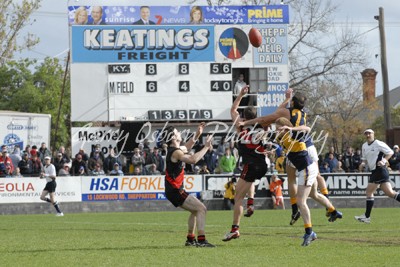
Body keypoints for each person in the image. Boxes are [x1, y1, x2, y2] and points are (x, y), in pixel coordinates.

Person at [240, 88, 332, 225]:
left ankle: (297, 211)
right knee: (314, 185)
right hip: (308, 144)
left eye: (277, 125)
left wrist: (246, 123)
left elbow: (267, 118)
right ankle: (330, 206)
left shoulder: (285, 117)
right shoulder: (302, 113)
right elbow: (305, 128)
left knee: (292, 181)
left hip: (297, 145)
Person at [274, 117, 342, 246]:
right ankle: (333, 211)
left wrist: (290, 128)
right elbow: (276, 145)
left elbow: (307, 128)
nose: (276, 130)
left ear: (284, 127)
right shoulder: (280, 137)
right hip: (305, 169)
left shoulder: (292, 133)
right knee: (314, 194)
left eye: (278, 127)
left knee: (301, 201)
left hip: (307, 169)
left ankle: (309, 232)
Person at [223, 86, 269, 242]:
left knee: (237, 198)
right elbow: (273, 120)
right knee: (250, 180)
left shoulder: (240, 124)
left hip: (251, 164)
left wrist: (241, 94)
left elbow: (233, 108)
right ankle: (251, 203)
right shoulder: (263, 125)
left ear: (244, 116)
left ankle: (234, 229)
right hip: (263, 165)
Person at [163, 122, 215, 247]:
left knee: (195, 210)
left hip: (174, 190)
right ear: (173, 137)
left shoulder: (175, 150)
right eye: (177, 132)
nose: (179, 133)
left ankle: (190, 239)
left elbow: (187, 147)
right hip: (175, 190)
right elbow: (193, 160)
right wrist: (206, 147)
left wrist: (197, 134)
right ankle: (202, 240)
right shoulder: (175, 152)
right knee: (202, 208)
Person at [355, 129, 400, 224]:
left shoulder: (378, 143)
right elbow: (365, 159)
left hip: (380, 170)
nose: (367, 135)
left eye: (369, 133)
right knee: (390, 193)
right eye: (366, 133)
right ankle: (366, 217)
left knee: (369, 191)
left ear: (373, 134)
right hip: (376, 171)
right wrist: (362, 163)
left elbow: (390, 152)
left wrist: (383, 160)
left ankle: (367, 217)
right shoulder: (364, 146)